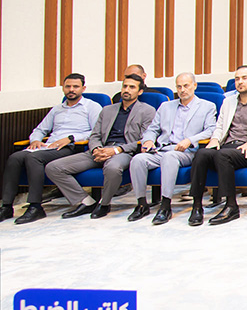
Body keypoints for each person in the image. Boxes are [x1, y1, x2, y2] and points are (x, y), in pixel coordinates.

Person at [46, 74, 155, 220]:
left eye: (132, 87)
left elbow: (145, 140)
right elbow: (95, 135)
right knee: (54, 167)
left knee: (112, 168)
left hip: (124, 152)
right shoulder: (107, 110)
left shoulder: (147, 111)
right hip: (101, 149)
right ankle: (86, 202)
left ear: (140, 91)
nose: (127, 90)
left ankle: (104, 204)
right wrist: (96, 149)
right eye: (125, 86)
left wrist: (116, 150)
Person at [0, 73, 102, 225]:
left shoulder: (91, 107)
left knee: (33, 157)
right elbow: (40, 129)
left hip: (73, 147)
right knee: (15, 157)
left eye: (75, 86)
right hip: (50, 146)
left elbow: (96, 131)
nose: (71, 90)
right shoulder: (57, 109)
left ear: (83, 88)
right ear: (63, 88)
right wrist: (35, 140)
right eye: (68, 86)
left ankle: (35, 207)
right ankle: (7, 207)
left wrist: (71, 138)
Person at [187, 66, 247, 226]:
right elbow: (219, 127)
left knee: (222, 155)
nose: (240, 82)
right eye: (237, 79)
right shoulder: (227, 102)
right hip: (227, 146)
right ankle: (197, 206)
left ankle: (231, 206)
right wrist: (215, 139)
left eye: (244, 78)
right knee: (201, 154)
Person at [127, 73, 217, 225]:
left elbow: (210, 130)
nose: (182, 90)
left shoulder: (207, 106)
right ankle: (141, 204)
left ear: (194, 86)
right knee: (138, 160)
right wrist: (148, 140)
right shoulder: (165, 106)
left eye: (186, 86)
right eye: (179, 87)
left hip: (187, 151)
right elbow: (152, 129)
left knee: (170, 157)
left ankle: (165, 205)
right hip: (163, 149)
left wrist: (190, 140)